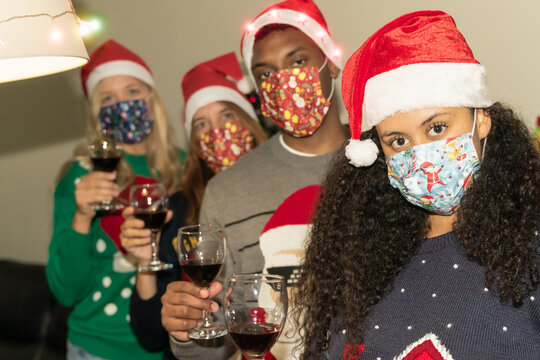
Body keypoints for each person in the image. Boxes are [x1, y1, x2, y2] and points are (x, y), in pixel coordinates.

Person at [294, 10, 540, 359]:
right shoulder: (360, 260)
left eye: (437, 128)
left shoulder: (531, 246)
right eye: (398, 141)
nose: (423, 157)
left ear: (481, 121)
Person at [160, 0, 349, 358]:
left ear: (332, 62)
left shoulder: (387, 163)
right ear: (258, 92)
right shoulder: (227, 191)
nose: (284, 80)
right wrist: (185, 330)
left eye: (298, 61)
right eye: (265, 73)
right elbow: (213, 345)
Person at [119, 52, 267, 360]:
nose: (217, 132)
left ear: (249, 123)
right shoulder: (178, 208)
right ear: (195, 142)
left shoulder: (277, 191)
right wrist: (146, 261)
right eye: (202, 124)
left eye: (227, 116)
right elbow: (150, 335)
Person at [46, 39, 185, 360]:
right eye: (108, 98)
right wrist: (82, 216)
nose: (122, 105)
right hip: (96, 348)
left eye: (133, 92)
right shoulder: (82, 177)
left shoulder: (184, 168)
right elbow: (66, 291)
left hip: (171, 346)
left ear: (152, 98)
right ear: (97, 115)